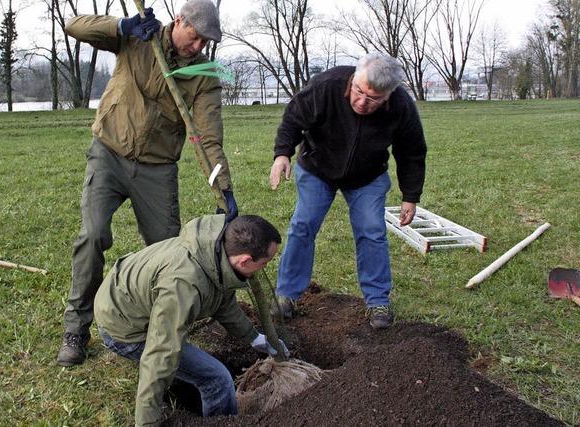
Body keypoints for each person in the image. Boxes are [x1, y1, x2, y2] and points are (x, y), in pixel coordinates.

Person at [57, 0, 239, 366]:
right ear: (179, 21)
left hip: (157, 169)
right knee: (92, 236)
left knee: (172, 251)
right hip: (109, 153)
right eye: (195, 36)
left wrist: (225, 190)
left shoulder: (205, 74)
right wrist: (122, 27)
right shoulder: (140, 38)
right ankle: (76, 328)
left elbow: (208, 137)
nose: (199, 46)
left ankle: (163, 327)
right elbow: (74, 26)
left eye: (206, 42)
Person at [269, 52, 427, 329]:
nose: (362, 102)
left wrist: (410, 196)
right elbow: (294, 118)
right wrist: (282, 154)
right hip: (318, 168)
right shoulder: (326, 86)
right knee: (303, 224)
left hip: (367, 176)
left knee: (371, 229)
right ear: (354, 78)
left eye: (373, 98)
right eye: (358, 91)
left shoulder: (401, 106)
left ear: (388, 95)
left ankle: (377, 300)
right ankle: (287, 295)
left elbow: (411, 152)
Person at [94, 214, 288, 426]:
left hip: (126, 296)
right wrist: (147, 422)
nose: (266, 267)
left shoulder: (214, 250)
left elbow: (222, 301)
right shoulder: (183, 286)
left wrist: (253, 337)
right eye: (265, 262)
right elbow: (161, 351)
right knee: (217, 379)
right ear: (245, 260)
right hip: (124, 327)